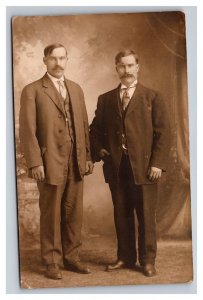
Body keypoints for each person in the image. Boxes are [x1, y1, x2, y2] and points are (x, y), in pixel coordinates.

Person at [90, 49, 170, 277]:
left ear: (138, 67)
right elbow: (94, 130)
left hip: (145, 169)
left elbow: (164, 133)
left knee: (146, 215)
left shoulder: (153, 97)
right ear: (116, 68)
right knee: (122, 213)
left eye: (130, 65)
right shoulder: (105, 99)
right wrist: (100, 150)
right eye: (121, 66)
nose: (126, 70)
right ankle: (125, 257)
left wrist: (157, 164)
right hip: (117, 169)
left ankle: (147, 261)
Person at [19, 43, 94, 280]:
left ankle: (71, 257)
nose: (58, 63)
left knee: (74, 212)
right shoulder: (32, 90)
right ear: (45, 60)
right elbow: (27, 131)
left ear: (67, 60)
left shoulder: (76, 88)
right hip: (49, 161)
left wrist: (87, 156)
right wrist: (34, 162)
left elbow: (82, 126)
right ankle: (52, 260)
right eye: (53, 59)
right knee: (51, 213)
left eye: (62, 58)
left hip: (76, 160)